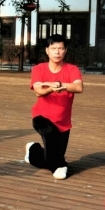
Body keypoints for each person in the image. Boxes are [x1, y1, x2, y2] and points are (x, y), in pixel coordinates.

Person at [24, 34, 83, 180]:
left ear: (65, 51)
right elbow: (39, 90)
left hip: (63, 122)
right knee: (50, 135)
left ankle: (33, 150)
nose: (57, 52)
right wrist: (51, 88)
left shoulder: (72, 69)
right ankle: (61, 165)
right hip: (41, 117)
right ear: (47, 51)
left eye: (60, 48)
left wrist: (60, 85)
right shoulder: (39, 69)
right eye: (53, 48)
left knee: (50, 157)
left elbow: (78, 87)